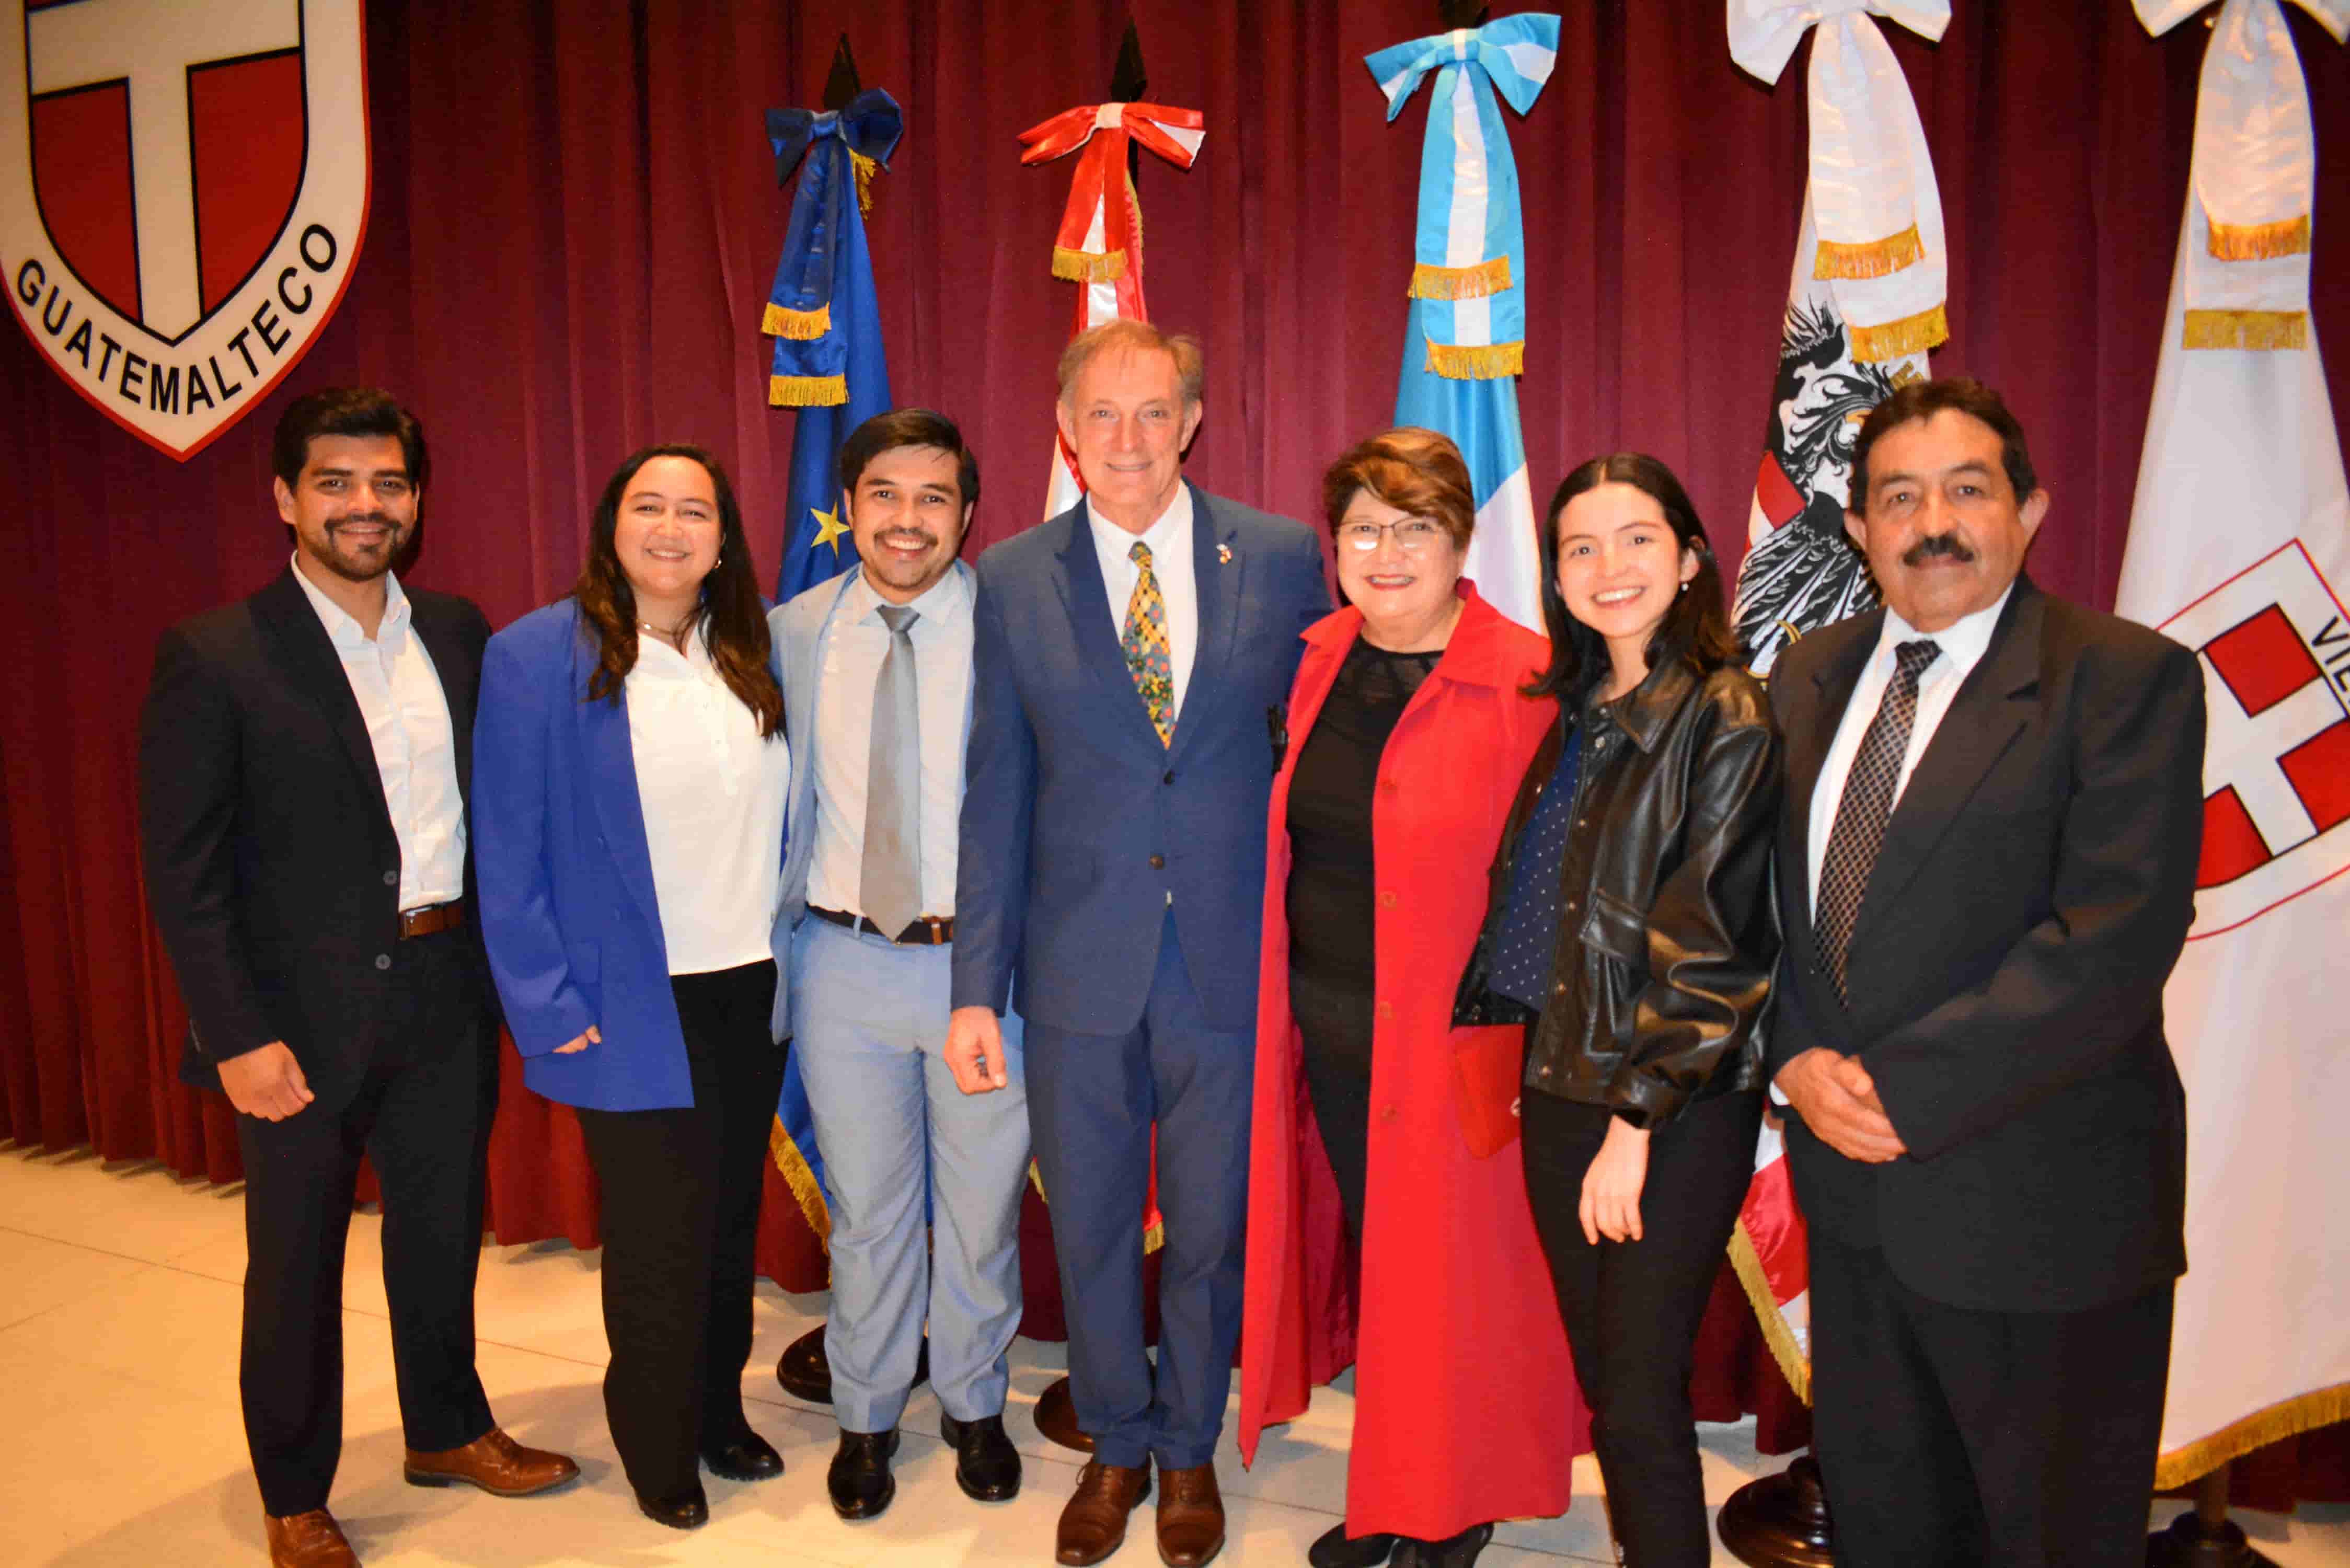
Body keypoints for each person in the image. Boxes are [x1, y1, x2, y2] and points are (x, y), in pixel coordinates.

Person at [1765, 378, 2204, 1568]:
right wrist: (1793, 1057)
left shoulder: (2125, 678)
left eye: (1967, 490)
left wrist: (1897, 1089)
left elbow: (2113, 941)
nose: (1933, 525)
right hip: (1853, 1212)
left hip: (2041, 1217)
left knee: (2047, 1540)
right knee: (1887, 1527)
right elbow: (1766, 907)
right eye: (1899, 498)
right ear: (1858, 528)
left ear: (2030, 510)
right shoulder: (1807, 674)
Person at [137, 388, 579, 1568]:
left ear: (416, 500)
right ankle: (294, 1492)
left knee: (441, 1232)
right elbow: (184, 873)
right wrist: (235, 1036)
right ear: (286, 499)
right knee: (294, 1264)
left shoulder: (460, 633)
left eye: (387, 482)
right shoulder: (216, 653)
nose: (364, 505)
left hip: (446, 989)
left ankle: (447, 1429)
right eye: (335, 483)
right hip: (295, 1019)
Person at [946, 318, 1330, 1568]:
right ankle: (1115, 1445)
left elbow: (1319, 761)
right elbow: (995, 792)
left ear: (1192, 422)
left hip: (1230, 964)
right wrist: (973, 990)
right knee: (1095, 1225)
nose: (1127, 438)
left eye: (1153, 411)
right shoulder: (1011, 576)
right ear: (1066, 429)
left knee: (1210, 1231)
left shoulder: (1280, 557)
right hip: (1075, 970)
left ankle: (1186, 1452)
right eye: (1101, 414)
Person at [1237, 429, 1579, 1568]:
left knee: (1459, 1287)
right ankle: (1399, 1488)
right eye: (1363, 529)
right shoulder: (1318, 658)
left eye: (1414, 528)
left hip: (1454, 1045)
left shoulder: (1527, 679)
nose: (1386, 554)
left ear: (1461, 542)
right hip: (1330, 1032)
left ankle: (1449, 1505)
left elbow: (1558, 886)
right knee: (1390, 1274)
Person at [1456, 454, 1781, 1567]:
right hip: (1560, 1078)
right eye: (1581, 548)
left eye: (1638, 539)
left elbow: (1716, 946)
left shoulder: (1725, 711)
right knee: (1609, 1382)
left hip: (1665, 1104)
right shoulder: (1576, 708)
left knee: (1638, 1396)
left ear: (1690, 558)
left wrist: (1633, 1125)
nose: (1610, 567)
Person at [471, 444, 790, 1532]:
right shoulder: (536, 655)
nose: (670, 528)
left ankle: (718, 1414)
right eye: (648, 506)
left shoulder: (748, 646)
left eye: (694, 511)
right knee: (660, 1238)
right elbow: (506, 847)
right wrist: (548, 1005)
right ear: (611, 525)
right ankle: (659, 1441)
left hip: (750, 989)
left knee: (730, 1222)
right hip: (630, 1001)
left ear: (722, 537)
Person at [771, 409, 1029, 1519]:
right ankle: (867, 1413)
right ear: (850, 506)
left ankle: (974, 1402)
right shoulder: (792, 631)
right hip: (841, 964)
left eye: (934, 498)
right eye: (884, 494)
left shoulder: (1016, 628)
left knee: (979, 1211)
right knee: (870, 1212)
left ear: (967, 515)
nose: (908, 519)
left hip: (981, 973)